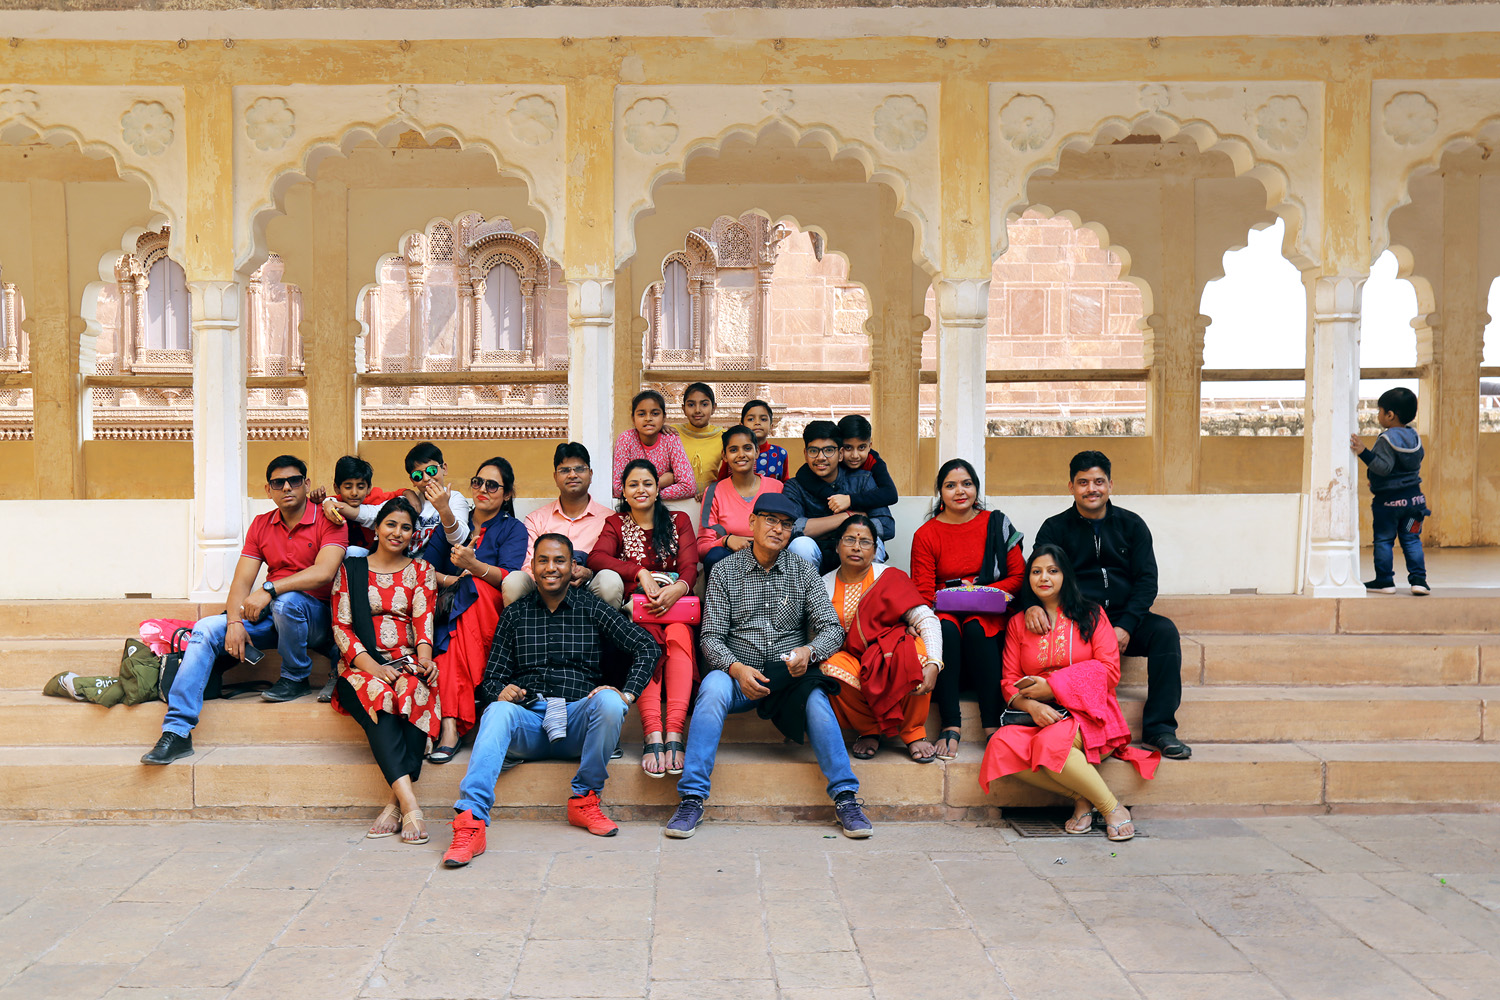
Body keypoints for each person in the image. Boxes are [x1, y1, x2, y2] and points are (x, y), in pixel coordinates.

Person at [442, 534, 662, 867]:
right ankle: (471, 823)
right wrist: (500, 692)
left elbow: (647, 646)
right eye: (543, 560)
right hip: (529, 722)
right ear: (532, 567)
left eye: (559, 560)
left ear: (573, 566)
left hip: (576, 723)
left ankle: (585, 800)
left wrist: (627, 692)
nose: (551, 568)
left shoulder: (592, 608)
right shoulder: (515, 615)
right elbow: (491, 680)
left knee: (611, 703)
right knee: (499, 711)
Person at [664, 493, 872, 840]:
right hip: (738, 674)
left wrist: (809, 651)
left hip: (787, 675)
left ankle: (846, 797)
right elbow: (711, 638)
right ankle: (692, 798)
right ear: (752, 523)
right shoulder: (725, 571)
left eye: (786, 524)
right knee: (713, 688)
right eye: (771, 520)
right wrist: (735, 669)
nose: (778, 529)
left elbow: (832, 628)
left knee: (818, 700)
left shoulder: (803, 570)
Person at [141, 456, 347, 765]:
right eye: (278, 483)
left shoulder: (328, 519)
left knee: (286, 602)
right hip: (274, 616)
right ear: (268, 490)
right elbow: (241, 580)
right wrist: (234, 621)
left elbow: (324, 572)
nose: (286, 487)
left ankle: (294, 676)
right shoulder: (262, 524)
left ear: (307, 484)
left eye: (294, 480)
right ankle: (177, 732)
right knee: (206, 629)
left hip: (316, 617)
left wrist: (269, 589)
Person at [979, 544, 1160, 842]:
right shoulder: (1018, 622)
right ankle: (1082, 798)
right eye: (1036, 572)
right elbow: (1010, 680)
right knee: (1001, 745)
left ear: (1066, 575)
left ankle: (1112, 807)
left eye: (1053, 571)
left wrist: (1053, 686)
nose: (1044, 578)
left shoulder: (1091, 614)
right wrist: (1032, 707)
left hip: (1087, 710)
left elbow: (1109, 670)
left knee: (1051, 743)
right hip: (1039, 714)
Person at [1033, 451, 1191, 760]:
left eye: (1098, 481)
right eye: (1083, 482)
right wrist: (1032, 606)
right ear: (1071, 487)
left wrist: (1126, 625)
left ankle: (1160, 728)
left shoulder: (1132, 525)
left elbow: (1147, 580)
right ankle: (1080, 725)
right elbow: (1039, 573)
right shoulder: (1055, 529)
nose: (1091, 489)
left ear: (1110, 484)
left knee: (1165, 633)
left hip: (1123, 618)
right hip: (1080, 619)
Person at [330, 497, 440, 845]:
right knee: (382, 696)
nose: (397, 532)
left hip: (406, 661)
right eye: (391, 524)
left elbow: (424, 623)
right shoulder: (351, 569)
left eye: (406, 527)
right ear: (376, 527)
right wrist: (375, 668)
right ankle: (410, 804)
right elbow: (341, 627)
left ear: (412, 534)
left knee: (414, 690)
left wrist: (424, 661)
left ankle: (393, 804)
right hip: (360, 665)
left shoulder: (421, 571)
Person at [588, 459, 701, 777]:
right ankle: (653, 732)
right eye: (633, 484)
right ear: (623, 490)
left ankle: (675, 732)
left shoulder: (678, 520)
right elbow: (598, 558)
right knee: (647, 641)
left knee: (678, 634)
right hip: (639, 613)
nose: (641, 489)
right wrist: (639, 571)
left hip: (676, 608)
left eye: (647, 483)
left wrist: (678, 588)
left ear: (657, 489)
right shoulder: (616, 523)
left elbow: (691, 564)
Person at [909, 458, 1026, 761]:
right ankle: (950, 723)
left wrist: (980, 593)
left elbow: (1018, 576)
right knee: (945, 628)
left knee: (977, 626)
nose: (960, 491)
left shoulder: (995, 523)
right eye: (950, 485)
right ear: (940, 492)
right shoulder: (927, 534)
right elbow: (923, 591)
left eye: (967, 484)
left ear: (976, 487)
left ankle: (992, 723)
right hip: (945, 611)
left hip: (990, 611)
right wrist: (956, 595)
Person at [426, 457, 528, 763]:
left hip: (488, 608)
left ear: (507, 493)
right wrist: (454, 579)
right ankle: (456, 721)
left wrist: (474, 568)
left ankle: (448, 727)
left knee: (474, 591)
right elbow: (425, 567)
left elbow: (508, 576)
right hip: (449, 607)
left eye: (492, 485)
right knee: (457, 616)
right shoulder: (454, 520)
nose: (483, 489)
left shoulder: (513, 529)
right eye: (477, 482)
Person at [821, 515, 944, 763]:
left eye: (865, 542)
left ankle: (913, 732)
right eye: (850, 540)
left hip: (890, 655)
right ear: (837, 546)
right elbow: (817, 635)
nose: (857, 547)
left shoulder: (888, 577)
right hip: (852, 659)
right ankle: (868, 729)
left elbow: (926, 619)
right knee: (828, 666)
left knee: (917, 652)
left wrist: (934, 662)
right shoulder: (824, 584)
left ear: (875, 550)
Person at [503, 442, 625, 608]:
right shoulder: (536, 519)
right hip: (544, 592)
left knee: (609, 581)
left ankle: (602, 633)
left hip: (589, 593)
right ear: (555, 477)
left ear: (590, 474)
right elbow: (528, 566)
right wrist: (555, 575)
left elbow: (617, 563)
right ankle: (524, 632)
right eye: (565, 470)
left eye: (579, 469)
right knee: (514, 581)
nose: (572, 475)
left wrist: (589, 574)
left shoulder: (610, 519)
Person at [783, 420, 895, 573]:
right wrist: (847, 517)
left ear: (841, 453)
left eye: (828, 450)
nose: (821, 457)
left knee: (873, 541)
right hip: (816, 557)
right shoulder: (795, 486)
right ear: (805, 454)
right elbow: (790, 528)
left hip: (853, 549)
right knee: (800, 545)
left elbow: (887, 527)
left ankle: (866, 596)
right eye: (813, 451)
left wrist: (821, 529)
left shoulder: (862, 479)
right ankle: (810, 596)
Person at [1350, 386, 1430, 596]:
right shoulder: (1414, 438)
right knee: (1412, 540)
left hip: (1389, 505)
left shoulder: (1386, 439)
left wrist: (1363, 452)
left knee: (1384, 541)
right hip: (1414, 503)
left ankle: (1385, 581)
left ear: (1390, 415)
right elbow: (1410, 465)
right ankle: (1419, 581)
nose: (1378, 415)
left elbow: (1383, 468)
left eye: (1380, 411)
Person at [697, 423, 785, 579]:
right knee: (715, 556)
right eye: (733, 450)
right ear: (724, 456)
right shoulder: (713, 492)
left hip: (771, 558)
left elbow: (788, 531)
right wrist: (726, 541)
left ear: (757, 451)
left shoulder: (777, 488)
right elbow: (702, 549)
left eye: (747, 448)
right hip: (731, 563)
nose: (741, 454)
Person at [612, 389, 696, 501]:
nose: (648, 418)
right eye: (641, 414)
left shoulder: (670, 439)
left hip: (663, 510)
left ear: (664, 417)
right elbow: (618, 489)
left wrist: (643, 494)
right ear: (633, 418)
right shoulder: (626, 440)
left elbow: (688, 487)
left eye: (655, 413)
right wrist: (661, 482)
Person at [404, 442, 473, 563]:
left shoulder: (455, 498)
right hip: (405, 565)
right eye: (417, 475)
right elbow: (373, 514)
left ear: (444, 468)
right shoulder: (409, 500)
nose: (426, 478)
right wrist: (404, 492)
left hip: (438, 567)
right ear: (412, 480)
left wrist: (443, 508)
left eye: (431, 470)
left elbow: (458, 539)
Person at [828, 414, 898, 515]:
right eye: (848, 447)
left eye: (861, 448)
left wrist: (850, 500)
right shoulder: (833, 457)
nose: (855, 455)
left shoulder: (873, 461)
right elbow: (804, 474)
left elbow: (891, 494)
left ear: (869, 446)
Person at [714, 398, 790, 481]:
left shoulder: (780, 453)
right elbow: (721, 481)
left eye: (763, 419)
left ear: (771, 427)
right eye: (751, 419)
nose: (757, 423)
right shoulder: (733, 454)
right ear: (741, 425)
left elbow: (785, 483)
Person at [675, 381, 723, 501]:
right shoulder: (673, 434)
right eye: (691, 405)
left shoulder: (723, 437)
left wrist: (711, 492)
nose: (697, 410)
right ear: (683, 409)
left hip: (711, 501)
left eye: (704, 404)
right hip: (677, 502)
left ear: (714, 408)